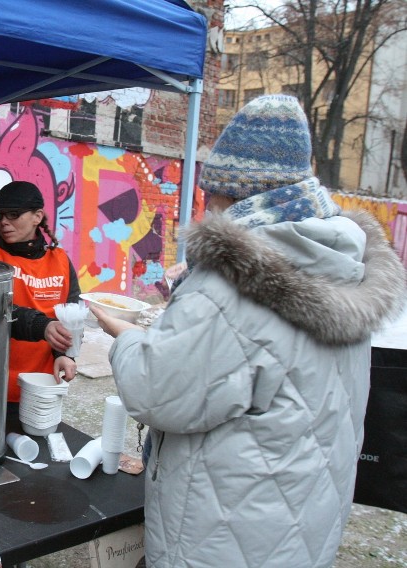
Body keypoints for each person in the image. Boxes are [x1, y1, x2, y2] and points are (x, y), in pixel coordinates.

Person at [91, 94, 406, 567]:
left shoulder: (234, 286)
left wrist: (127, 337)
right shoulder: (340, 264)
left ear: (236, 194)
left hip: (227, 533)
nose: (207, 203)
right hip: (299, 522)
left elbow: (159, 391)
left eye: (211, 193)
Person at [0, 180, 80, 402]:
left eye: (13, 214)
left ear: (37, 217)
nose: (3, 222)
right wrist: (42, 325)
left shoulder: (59, 260)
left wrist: (65, 355)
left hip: (42, 385)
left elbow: (71, 315)